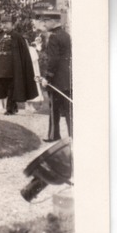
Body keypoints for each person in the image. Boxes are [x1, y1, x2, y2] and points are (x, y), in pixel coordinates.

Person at [0, 16, 37, 116]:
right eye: (2, 23)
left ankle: (9, 109)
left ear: (12, 24)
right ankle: (14, 106)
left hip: (14, 68)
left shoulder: (17, 37)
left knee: (11, 87)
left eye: (6, 23)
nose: (4, 25)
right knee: (5, 87)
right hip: (1, 67)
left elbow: (23, 54)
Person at [39, 12, 72, 141]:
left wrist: (47, 77)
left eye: (46, 21)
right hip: (67, 78)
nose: (44, 24)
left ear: (53, 21)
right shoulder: (66, 35)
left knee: (54, 109)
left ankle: (54, 136)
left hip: (56, 79)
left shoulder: (53, 37)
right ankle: (73, 136)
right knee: (69, 109)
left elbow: (53, 60)